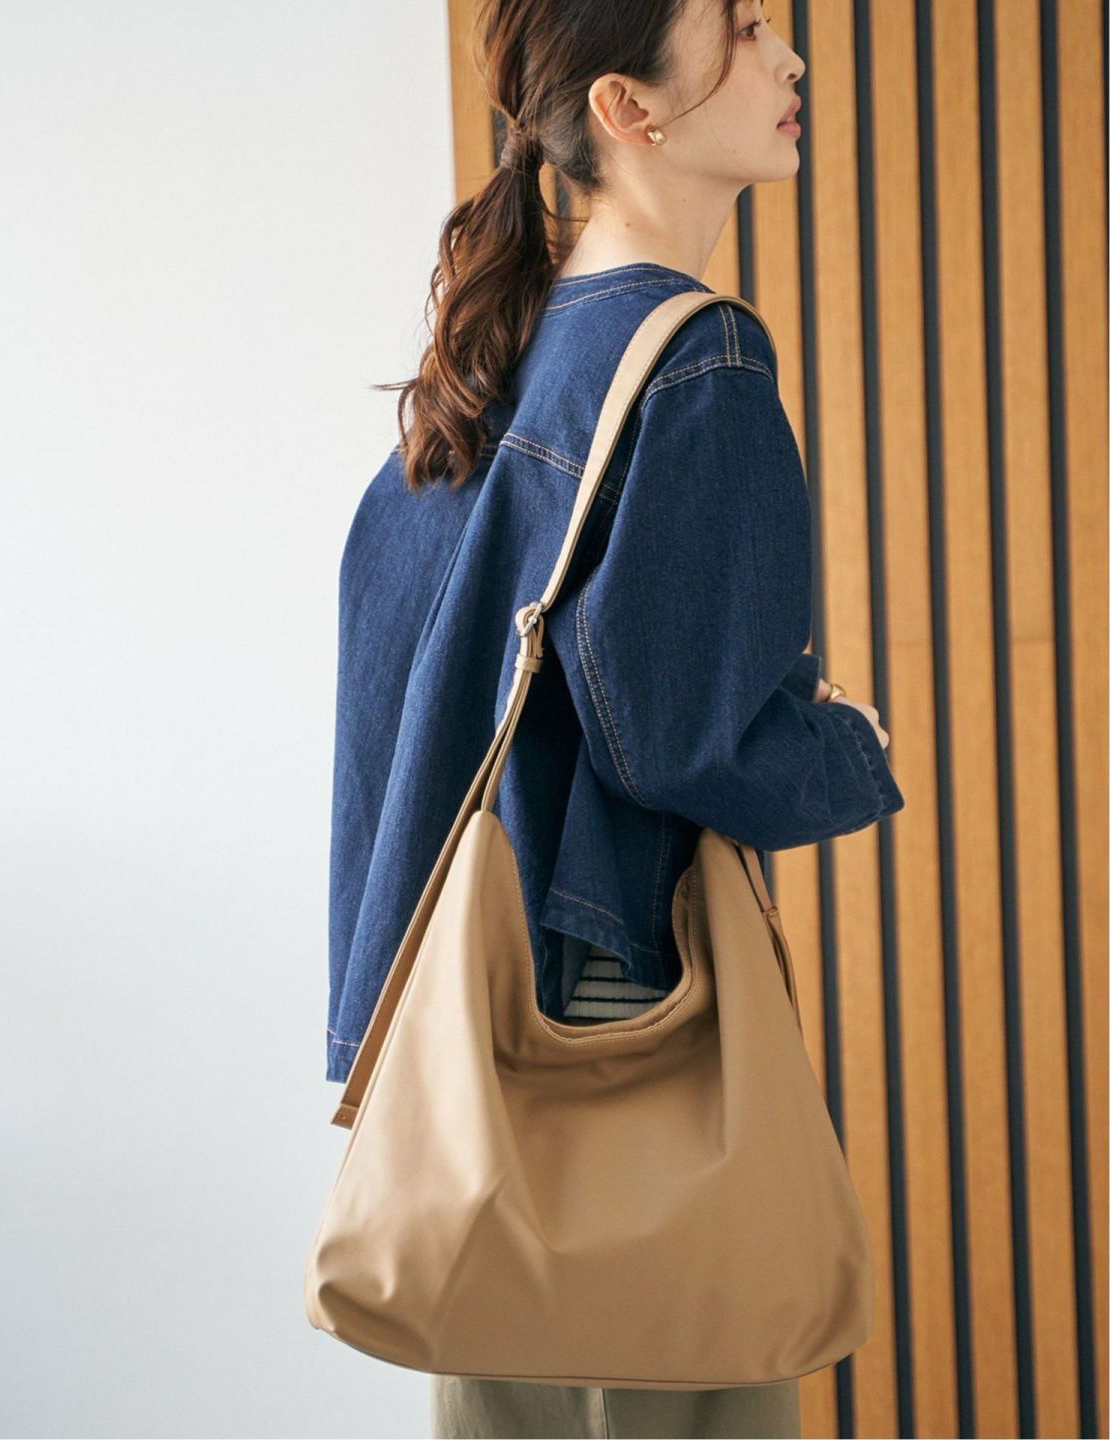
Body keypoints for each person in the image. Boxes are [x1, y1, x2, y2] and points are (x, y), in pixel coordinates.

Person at [326, 0, 904, 1434]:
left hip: (478, 1043)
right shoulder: (699, 361)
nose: (790, 57)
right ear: (627, 108)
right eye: (743, 29)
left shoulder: (488, 364)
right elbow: (681, 733)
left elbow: (389, 707)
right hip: (620, 1006)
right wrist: (845, 748)